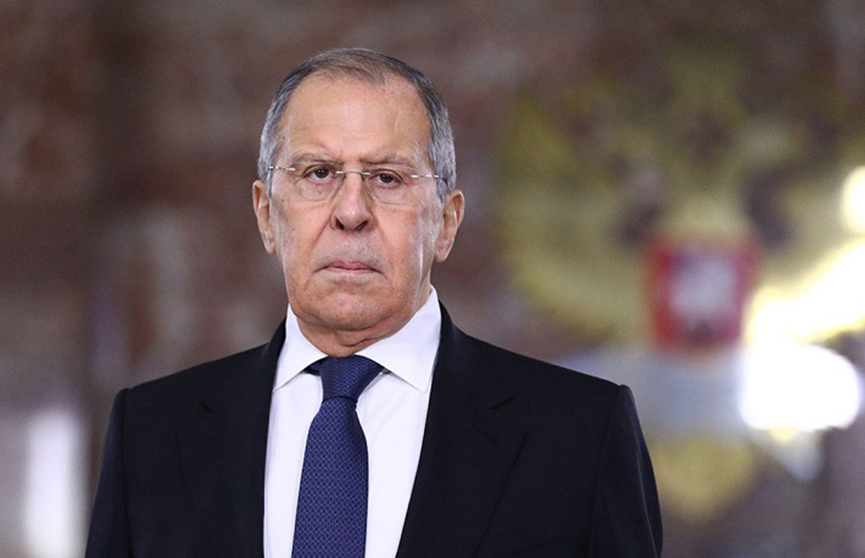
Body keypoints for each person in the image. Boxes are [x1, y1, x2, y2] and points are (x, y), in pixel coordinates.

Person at [85, 47, 662, 558]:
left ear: (446, 222)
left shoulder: (580, 433)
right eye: (318, 173)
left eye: (387, 178)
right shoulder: (153, 433)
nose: (351, 211)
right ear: (266, 215)